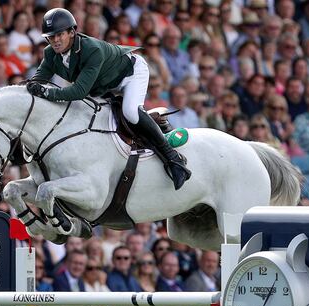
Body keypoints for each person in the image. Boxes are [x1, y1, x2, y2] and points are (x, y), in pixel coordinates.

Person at [27, 8, 189, 190]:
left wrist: (46, 93)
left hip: (131, 74)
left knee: (131, 113)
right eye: (50, 36)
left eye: (59, 35)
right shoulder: (50, 53)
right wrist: (29, 89)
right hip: (103, 85)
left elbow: (78, 91)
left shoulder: (91, 49)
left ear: (72, 32)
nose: (55, 40)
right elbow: (38, 79)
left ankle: (174, 159)